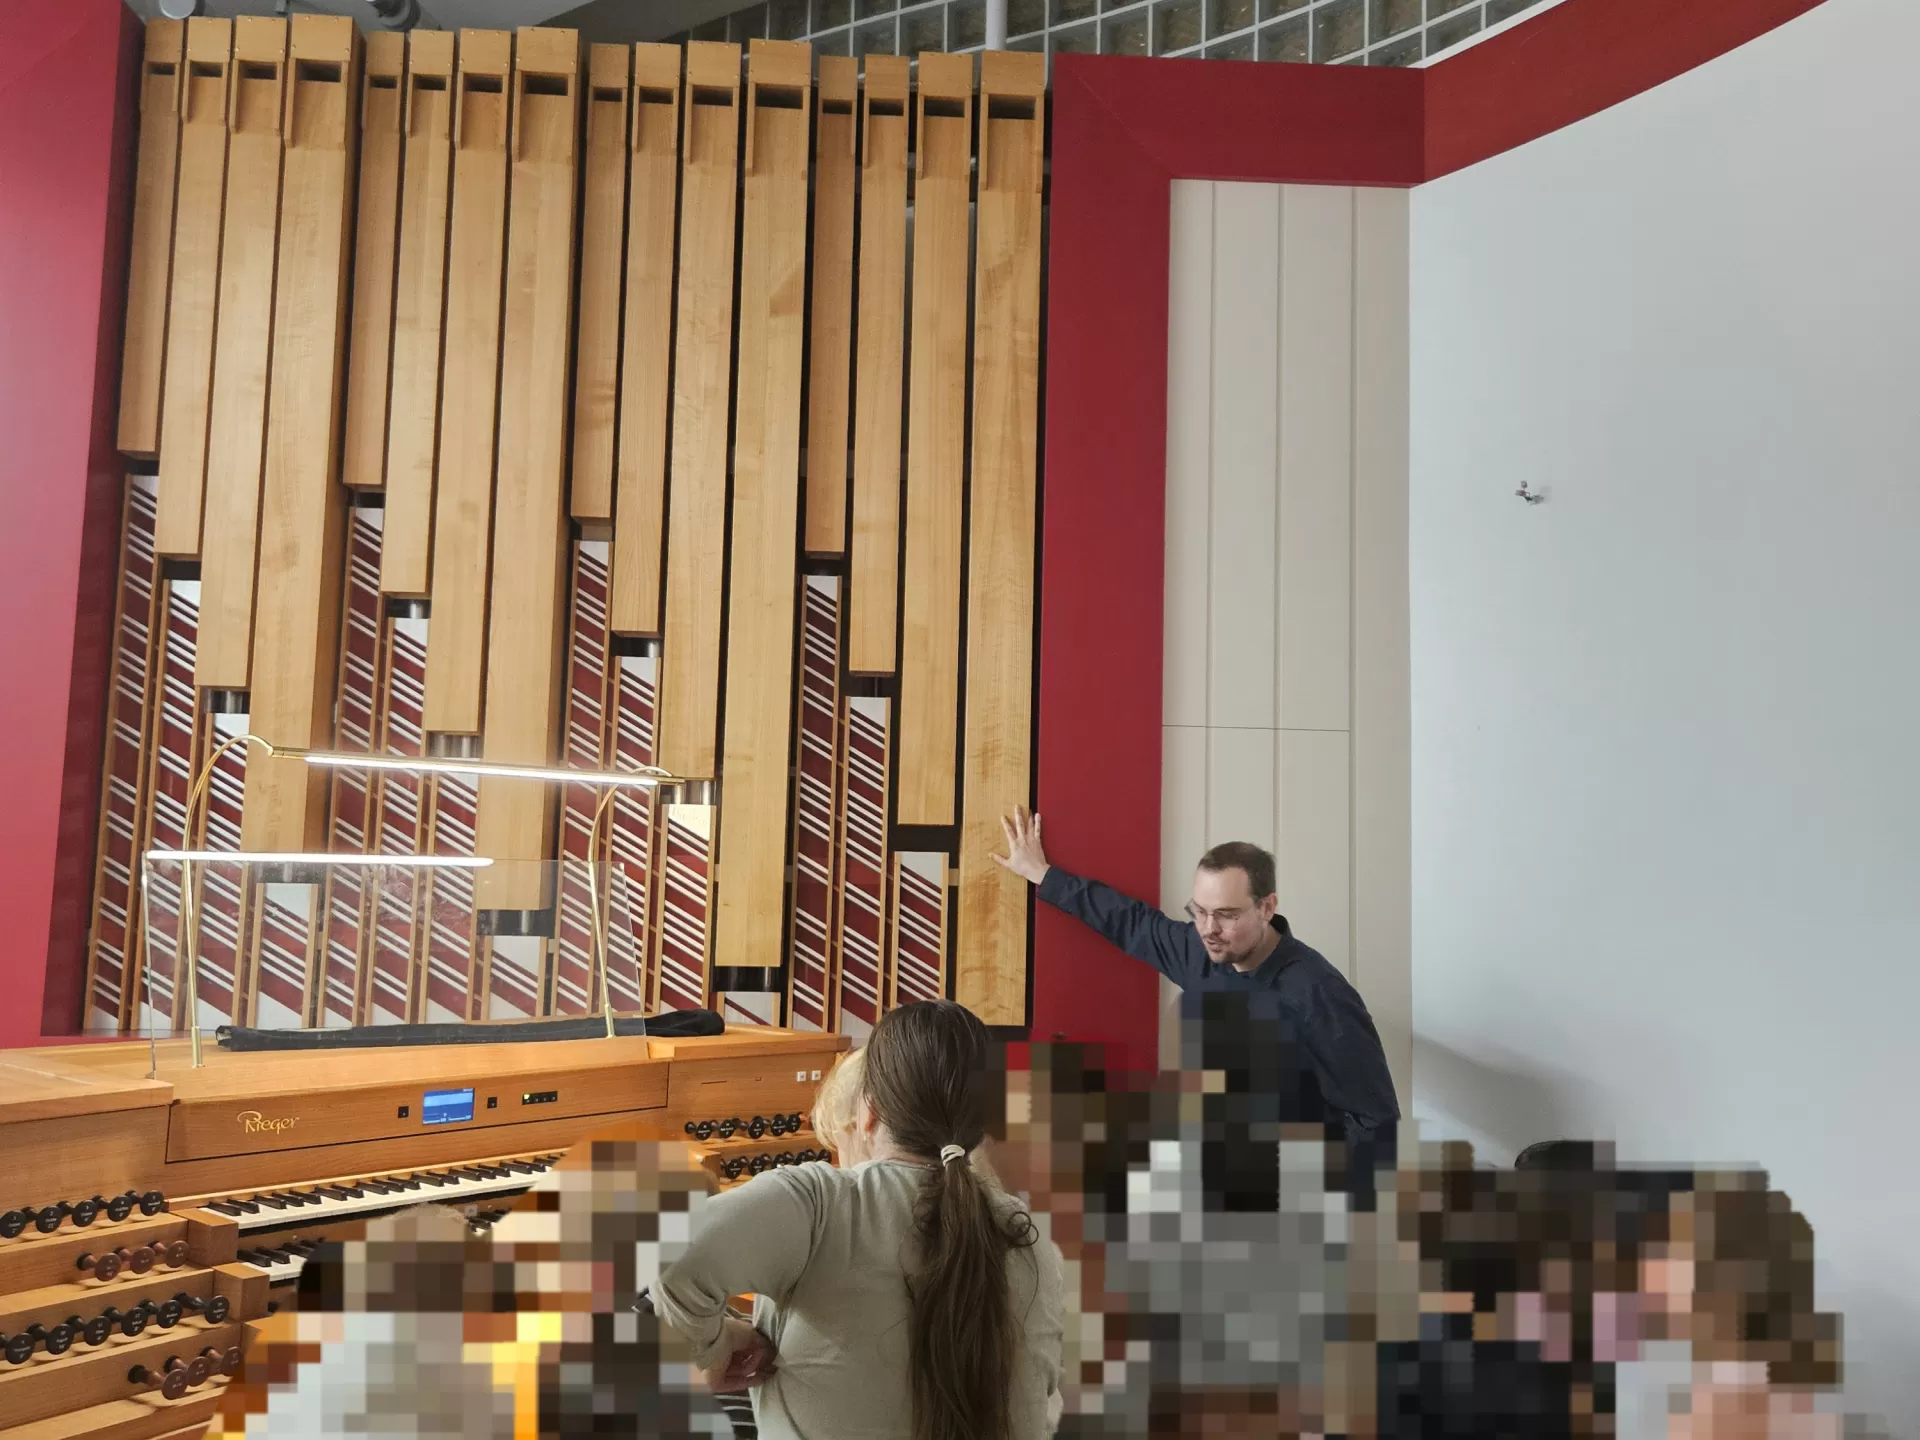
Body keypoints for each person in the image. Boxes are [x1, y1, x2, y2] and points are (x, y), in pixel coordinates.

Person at [651, 999, 1066, 1440]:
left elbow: (673, 1257)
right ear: (982, 1128)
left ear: (868, 1113)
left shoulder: (821, 1202)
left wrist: (716, 1349)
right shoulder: (1032, 1241)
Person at [995, 808, 1399, 1146]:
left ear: (1266, 907)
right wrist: (1044, 875)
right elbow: (1131, 922)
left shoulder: (1319, 995)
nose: (1208, 928)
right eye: (1199, 911)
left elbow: (1377, 1126)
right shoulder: (1203, 951)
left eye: (1226, 914)